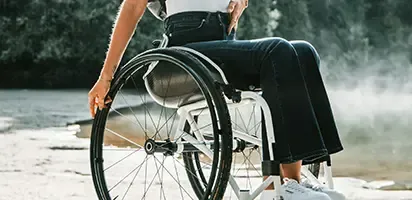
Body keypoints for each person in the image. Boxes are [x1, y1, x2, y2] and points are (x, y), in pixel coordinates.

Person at [88, 0, 345, 199]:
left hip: (221, 47)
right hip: (183, 56)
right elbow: (132, 7)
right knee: (278, 49)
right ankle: (288, 185)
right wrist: (106, 77)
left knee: (303, 52)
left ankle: (289, 181)